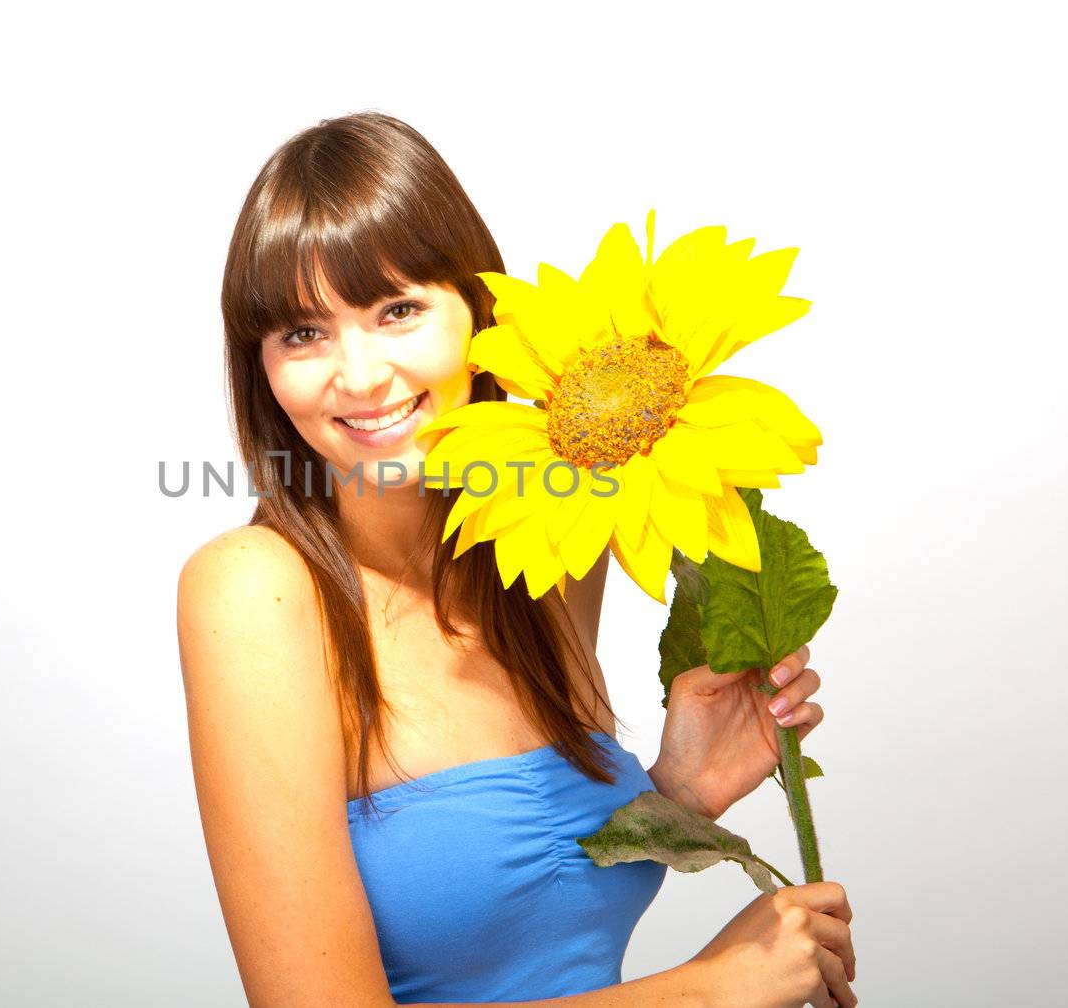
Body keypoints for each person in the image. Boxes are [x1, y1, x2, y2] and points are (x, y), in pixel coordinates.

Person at [176, 111, 857, 1008]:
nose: (360, 373)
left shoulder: (545, 541)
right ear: (259, 364)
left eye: (398, 310)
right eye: (303, 333)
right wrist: (704, 993)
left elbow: (526, 906)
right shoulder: (254, 590)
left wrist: (674, 796)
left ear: (478, 315)